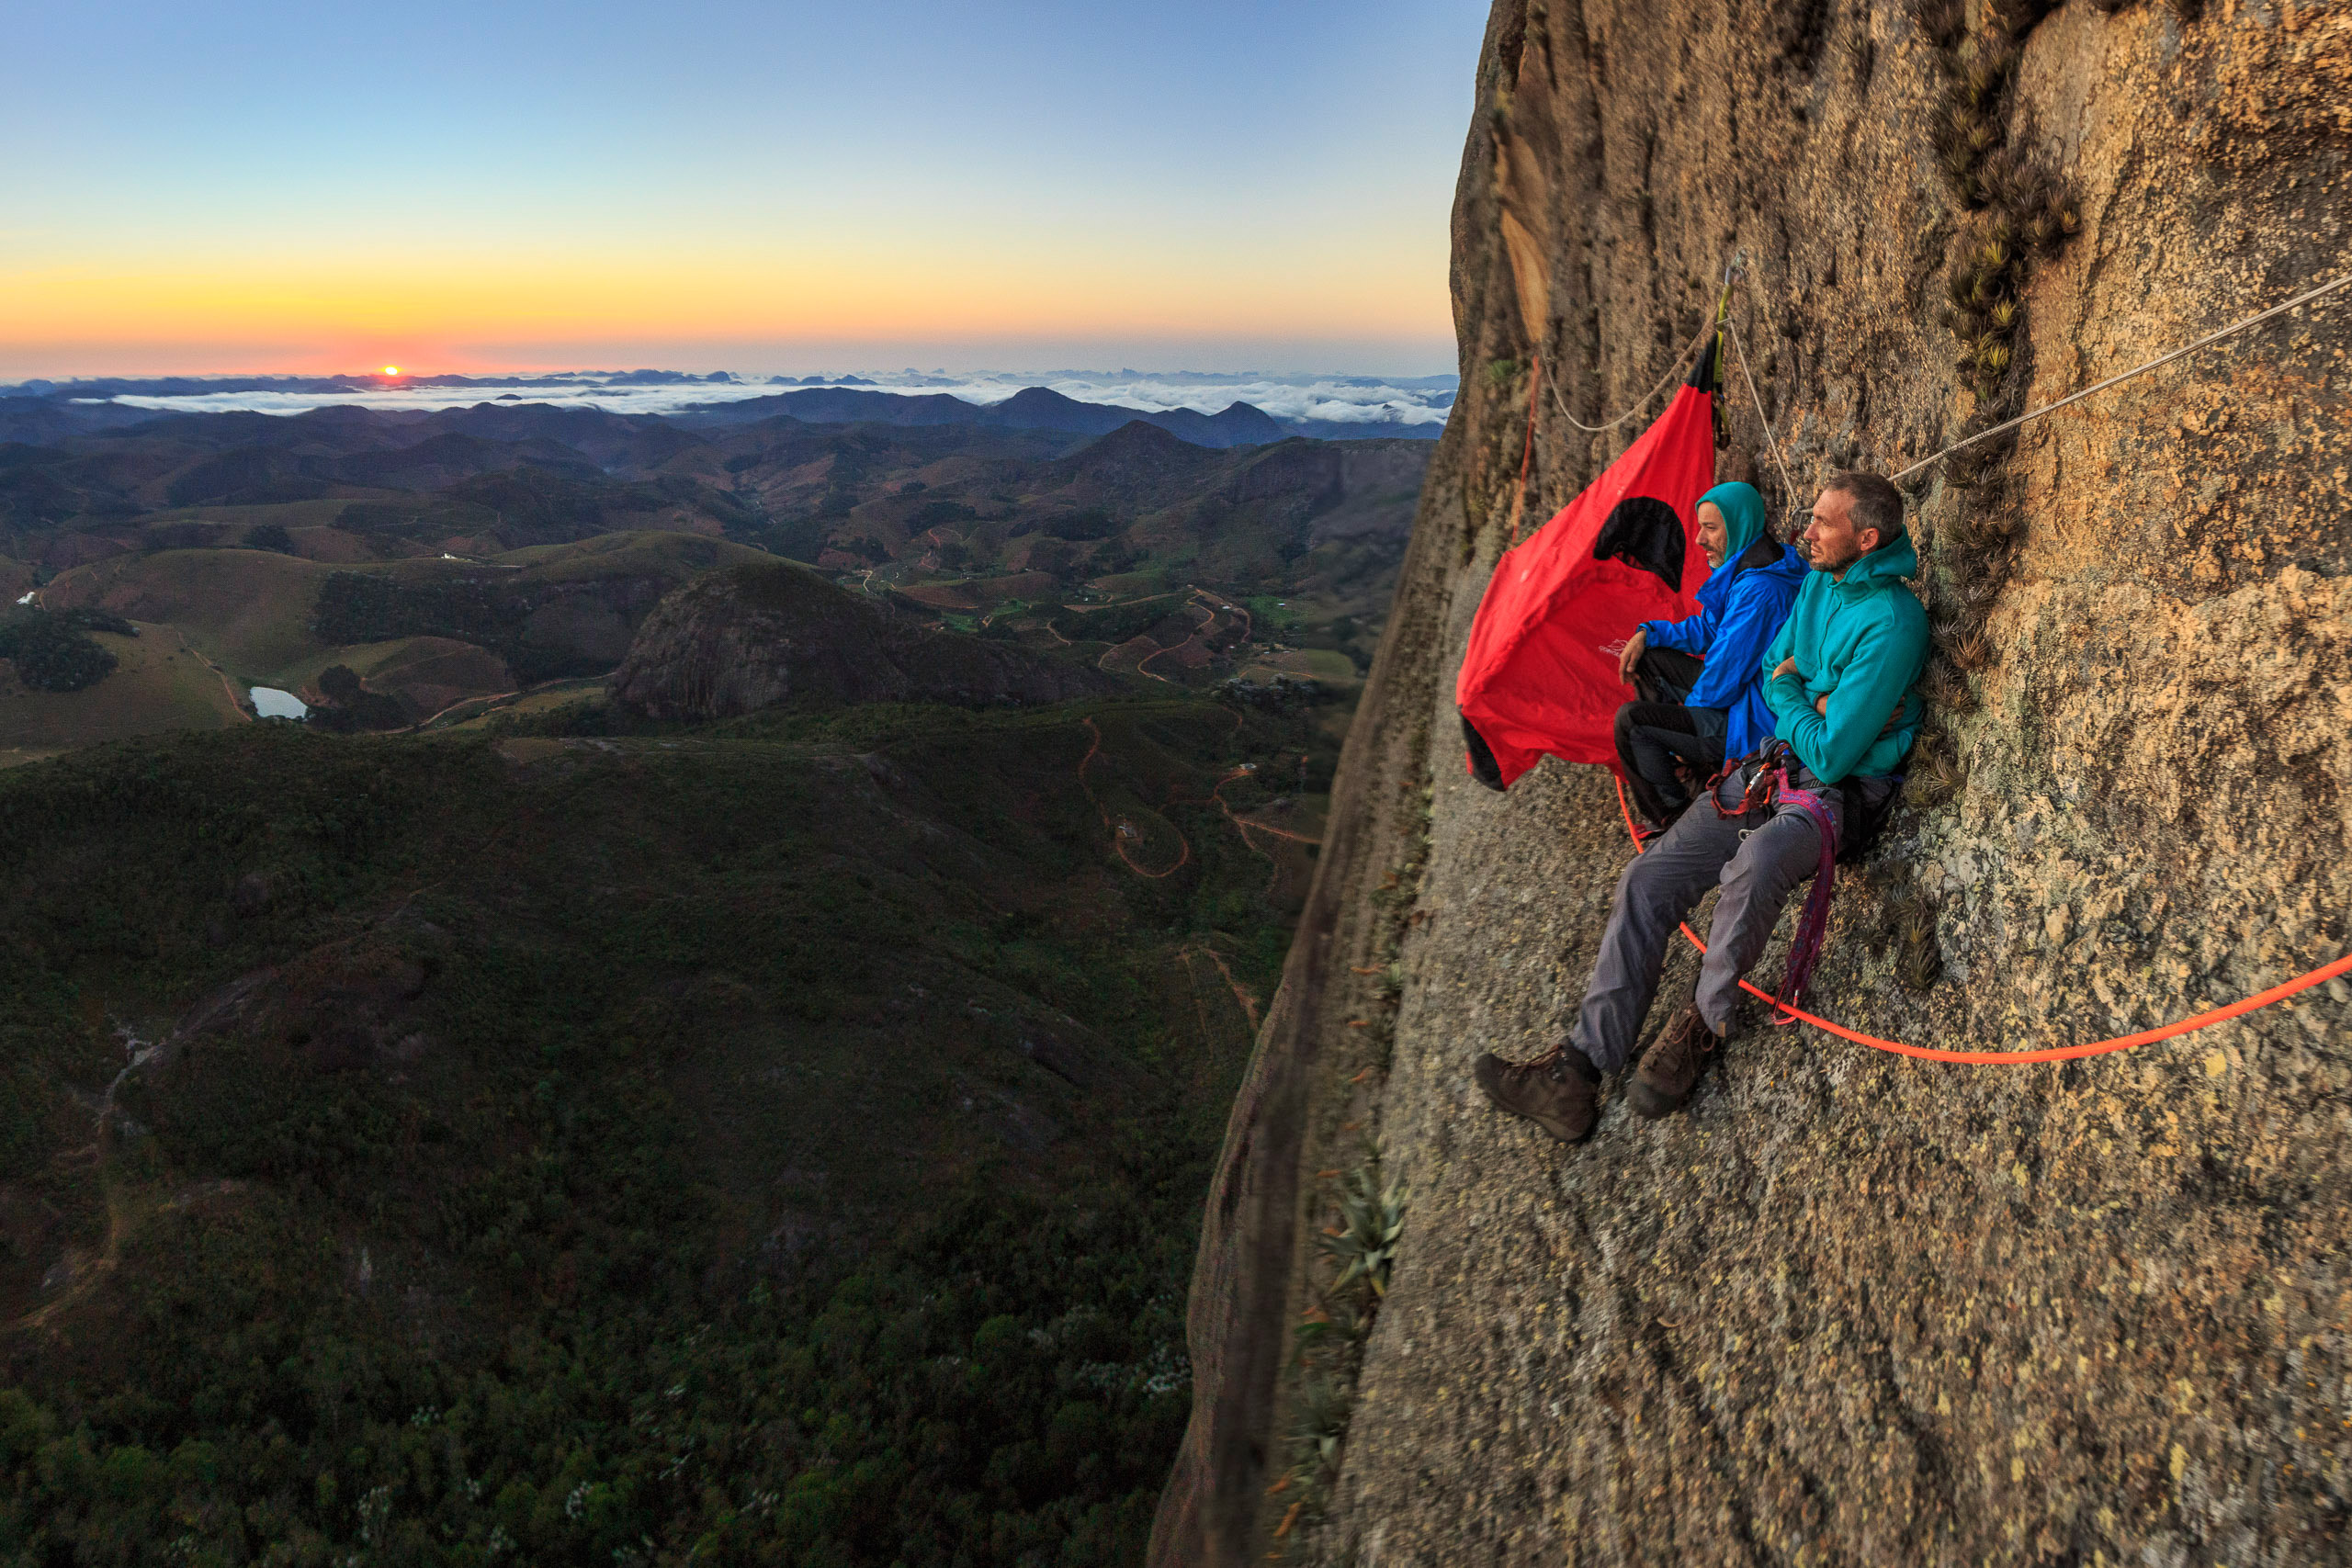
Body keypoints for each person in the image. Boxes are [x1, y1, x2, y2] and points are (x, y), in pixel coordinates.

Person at [1475, 471, 1928, 1142]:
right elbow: (1780, 668)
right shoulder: (1817, 584)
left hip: (1837, 796)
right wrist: (1806, 697)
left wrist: (1796, 693)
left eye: (1823, 524)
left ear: (1865, 538)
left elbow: (1833, 756)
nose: (1805, 531)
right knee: (1647, 879)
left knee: (1756, 860)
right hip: (1774, 767)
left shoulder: (1892, 621)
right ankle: (1578, 1068)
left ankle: (1703, 1021)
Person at [1611, 481, 1807, 835]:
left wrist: (1681, 724)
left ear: (1738, 526)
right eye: (1701, 526)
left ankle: (1673, 818)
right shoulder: (1758, 563)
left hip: (1751, 722)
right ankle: (1688, 765)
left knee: (1632, 724)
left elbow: (1719, 684)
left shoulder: (1759, 591)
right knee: (1649, 659)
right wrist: (1648, 633)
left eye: (1711, 528)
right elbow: (1710, 628)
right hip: (1741, 694)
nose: (1699, 538)